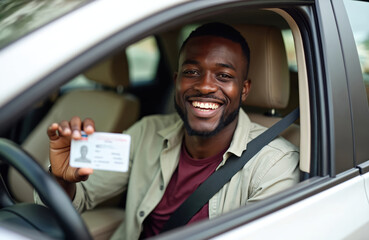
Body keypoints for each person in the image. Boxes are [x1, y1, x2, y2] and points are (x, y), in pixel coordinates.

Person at [35, 22, 299, 240]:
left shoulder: (275, 164)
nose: (205, 86)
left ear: (244, 89)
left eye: (224, 76)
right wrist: (62, 179)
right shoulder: (146, 132)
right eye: (192, 72)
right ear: (176, 82)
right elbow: (79, 199)